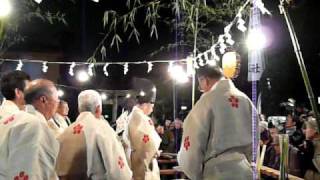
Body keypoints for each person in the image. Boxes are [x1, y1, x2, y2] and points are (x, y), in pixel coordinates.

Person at [177, 65, 258, 180]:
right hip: (245, 171)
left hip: (217, 172)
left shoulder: (206, 102)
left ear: (204, 80)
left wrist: (195, 174)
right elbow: (255, 141)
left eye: (200, 86)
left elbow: (193, 145)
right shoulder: (246, 101)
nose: (202, 89)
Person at [56, 90, 132, 180]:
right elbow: (118, 172)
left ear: (79, 109)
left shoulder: (64, 134)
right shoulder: (104, 130)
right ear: (98, 108)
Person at [0, 79, 60, 179]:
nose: (57, 104)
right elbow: (34, 172)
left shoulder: (11, 119)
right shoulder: (35, 125)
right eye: (57, 100)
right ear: (43, 100)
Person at [125, 78, 161, 180]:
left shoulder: (132, 116)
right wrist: (155, 151)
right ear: (145, 104)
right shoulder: (142, 118)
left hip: (133, 158)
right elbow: (148, 144)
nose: (152, 109)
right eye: (152, 106)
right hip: (142, 161)